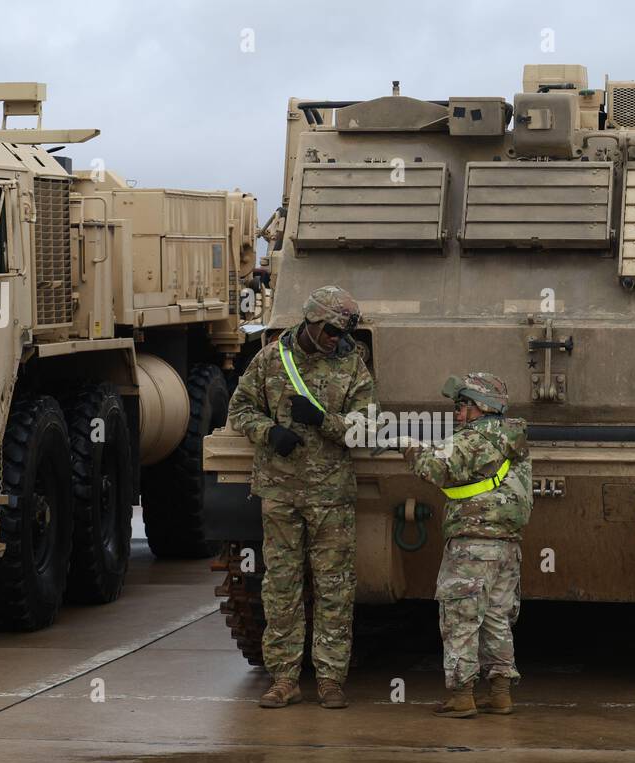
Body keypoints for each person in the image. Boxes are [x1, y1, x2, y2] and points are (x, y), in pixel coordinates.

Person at [227, 286, 375, 708]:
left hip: (331, 495)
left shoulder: (351, 365)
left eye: (342, 332)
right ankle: (284, 679)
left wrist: (324, 421)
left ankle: (330, 679)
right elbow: (239, 410)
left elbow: (365, 427)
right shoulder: (272, 358)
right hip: (280, 491)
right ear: (311, 321)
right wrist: (268, 432)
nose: (335, 338)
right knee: (281, 587)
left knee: (334, 588)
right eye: (330, 330)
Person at [402, 373, 532, 718]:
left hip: (473, 545)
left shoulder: (473, 439)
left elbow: (434, 468)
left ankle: (462, 696)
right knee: (496, 619)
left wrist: (406, 445)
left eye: (461, 405)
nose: (457, 412)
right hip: (506, 546)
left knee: (460, 618)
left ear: (480, 406)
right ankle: (500, 694)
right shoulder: (512, 437)